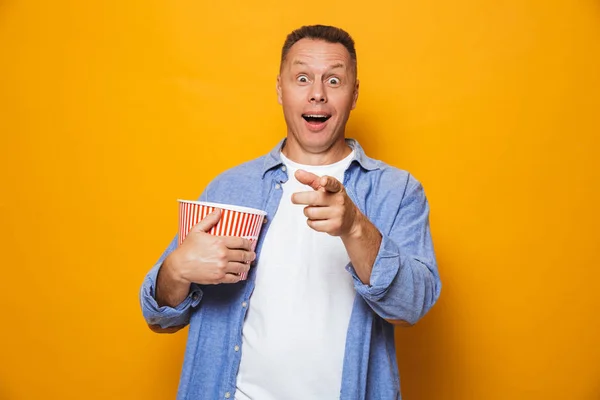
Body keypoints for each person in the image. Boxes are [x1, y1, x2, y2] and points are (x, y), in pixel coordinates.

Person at [140, 24, 441, 400]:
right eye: (302, 78)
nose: (317, 94)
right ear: (280, 89)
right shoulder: (230, 188)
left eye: (334, 80)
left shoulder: (397, 192)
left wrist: (354, 226)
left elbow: (411, 307)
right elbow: (160, 317)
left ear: (354, 93)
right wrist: (175, 270)